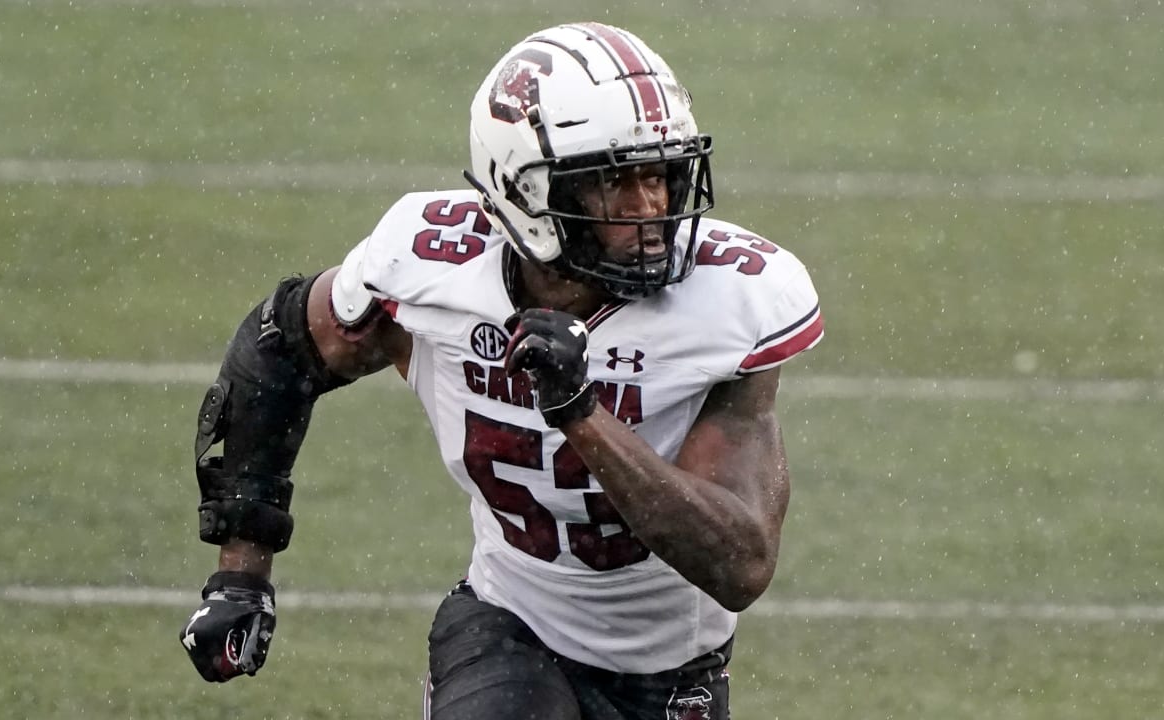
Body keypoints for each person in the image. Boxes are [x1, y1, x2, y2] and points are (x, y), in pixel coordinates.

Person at [177, 21, 824, 719]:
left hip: (669, 672)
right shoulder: (428, 270)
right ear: (529, 194)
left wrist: (581, 414)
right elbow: (278, 350)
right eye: (614, 182)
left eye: (660, 174)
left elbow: (739, 563)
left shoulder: (730, 303)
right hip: (508, 628)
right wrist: (241, 576)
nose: (652, 208)